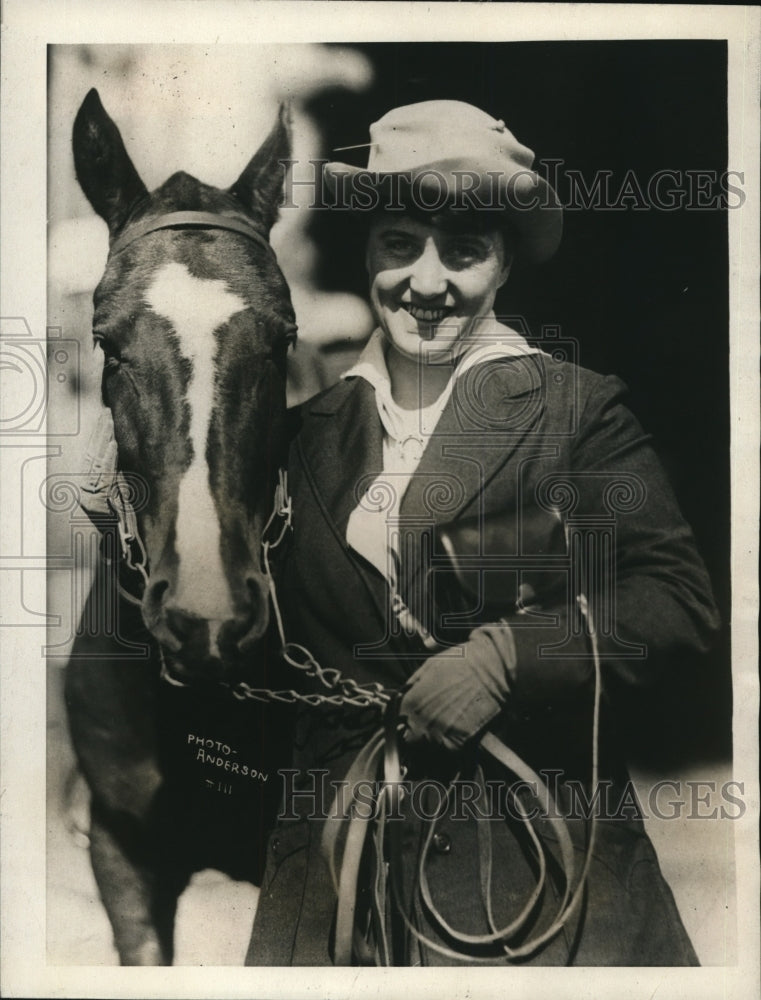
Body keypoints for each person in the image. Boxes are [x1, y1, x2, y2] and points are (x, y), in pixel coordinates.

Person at [244, 100, 720, 966]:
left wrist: (509, 657)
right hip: (335, 901)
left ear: (503, 263)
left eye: (462, 249)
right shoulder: (301, 434)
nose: (427, 284)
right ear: (365, 250)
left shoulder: (573, 410)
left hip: (537, 879)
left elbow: (675, 604)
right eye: (399, 244)